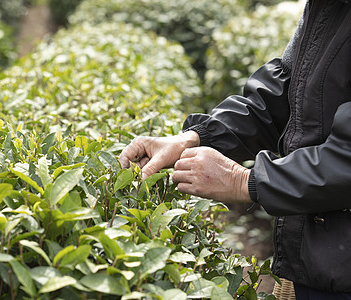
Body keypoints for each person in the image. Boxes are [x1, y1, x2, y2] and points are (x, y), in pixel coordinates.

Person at [119, 0, 351, 298]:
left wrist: (243, 180)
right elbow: (282, 95)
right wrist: (196, 137)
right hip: (313, 260)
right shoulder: (328, 6)